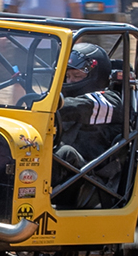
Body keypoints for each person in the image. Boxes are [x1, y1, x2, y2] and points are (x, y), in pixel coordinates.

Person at [53, 42, 123, 209]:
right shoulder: (61, 100)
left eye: (77, 76)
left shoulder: (112, 101)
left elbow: (80, 107)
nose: (71, 81)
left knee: (63, 154)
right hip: (69, 176)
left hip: (93, 181)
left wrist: (47, 106)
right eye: (67, 77)